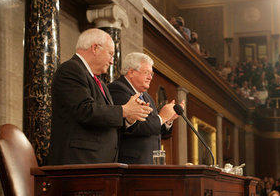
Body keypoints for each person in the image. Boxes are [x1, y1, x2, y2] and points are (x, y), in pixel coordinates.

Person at [49, 28, 151, 165]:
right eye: (110, 54)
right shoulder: (71, 70)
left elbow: (106, 120)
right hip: (79, 162)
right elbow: (85, 110)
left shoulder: (100, 83)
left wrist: (129, 118)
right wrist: (124, 110)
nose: (111, 62)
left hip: (98, 164)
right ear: (95, 48)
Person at [108, 52, 182, 164]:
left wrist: (168, 120)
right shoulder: (118, 89)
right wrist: (162, 117)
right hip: (132, 163)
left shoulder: (147, 96)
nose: (150, 77)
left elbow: (156, 130)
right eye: (146, 73)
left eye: (151, 74)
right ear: (131, 72)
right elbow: (137, 126)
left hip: (150, 162)